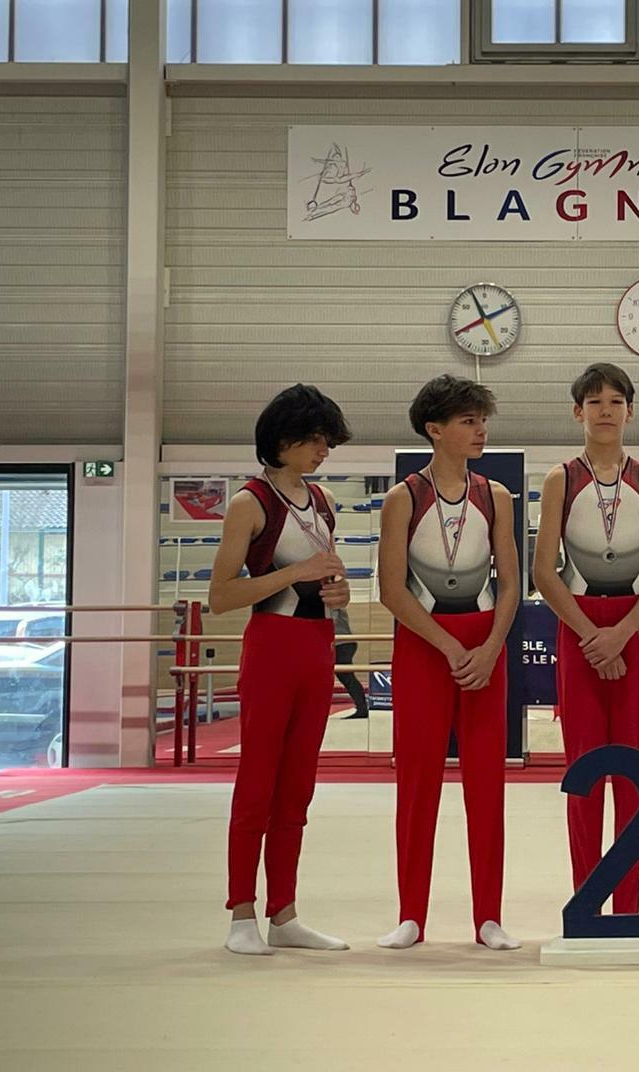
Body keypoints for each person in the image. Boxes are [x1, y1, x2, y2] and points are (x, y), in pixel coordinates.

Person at [376, 375, 520, 951]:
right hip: (424, 644)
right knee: (418, 784)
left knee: (487, 784)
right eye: (468, 421)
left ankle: (489, 916)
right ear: (434, 430)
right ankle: (411, 914)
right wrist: (448, 646)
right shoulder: (402, 499)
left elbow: (510, 584)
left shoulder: (497, 496)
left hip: (484, 645)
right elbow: (392, 590)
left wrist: (490, 648)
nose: (481, 430)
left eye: (482, 420)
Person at [211, 384, 353, 956]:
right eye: (316, 439)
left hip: (317, 647)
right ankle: (241, 913)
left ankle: (285, 914)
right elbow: (222, 596)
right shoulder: (249, 503)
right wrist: (294, 574)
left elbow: (324, 577)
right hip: (271, 646)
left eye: (328, 441)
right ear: (283, 439)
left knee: (298, 788)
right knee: (258, 783)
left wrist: (338, 592)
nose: (324, 450)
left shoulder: (323, 501)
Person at [533, 362, 639, 915]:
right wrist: (594, 636)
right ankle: (587, 903)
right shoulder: (561, 479)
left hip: (633, 626)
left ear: (630, 412)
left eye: (616, 402)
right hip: (581, 627)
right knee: (585, 770)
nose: (606, 411)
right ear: (578, 412)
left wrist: (624, 632)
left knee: (635, 772)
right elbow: (545, 571)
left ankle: (628, 907)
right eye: (594, 402)